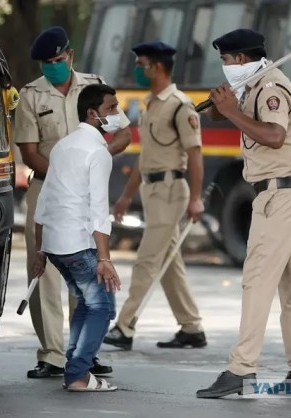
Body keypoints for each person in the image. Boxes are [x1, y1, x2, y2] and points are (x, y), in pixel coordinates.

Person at [196, 29, 291, 399]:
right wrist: (223, 106)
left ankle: (241, 369)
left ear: (242, 59)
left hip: (282, 194)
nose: (225, 66)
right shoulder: (252, 85)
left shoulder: (270, 88)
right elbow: (223, 117)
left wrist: (232, 111)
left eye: (226, 60)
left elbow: (274, 136)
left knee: (257, 280)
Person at [14, 26, 131, 379]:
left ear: (71, 56)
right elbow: (29, 152)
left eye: (58, 60)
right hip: (47, 186)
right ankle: (51, 354)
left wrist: (97, 156)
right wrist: (69, 175)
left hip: (86, 189)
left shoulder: (95, 88)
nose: (53, 66)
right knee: (46, 268)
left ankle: (83, 352)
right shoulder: (31, 95)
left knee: (87, 264)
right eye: (47, 63)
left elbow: (123, 132)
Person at [103, 41, 207, 351]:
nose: (137, 69)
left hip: (170, 191)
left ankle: (124, 326)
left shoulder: (180, 106)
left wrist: (196, 198)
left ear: (157, 67)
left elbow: (195, 155)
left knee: (147, 260)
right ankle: (191, 328)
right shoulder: (153, 104)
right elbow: (145, 157)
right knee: (169, 264)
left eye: (141, 64)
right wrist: (125, 196)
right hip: (152, 190)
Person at [31, 83, 122, 392]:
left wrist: (39, 250)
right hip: (77, 242)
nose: (118, 113)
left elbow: (44, 199)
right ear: (92, 113)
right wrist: (104, 258)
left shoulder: (63, 146)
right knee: (103, 307)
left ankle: (74, 364)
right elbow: (99, 208)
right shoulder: (98, 152)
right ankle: (79, 375)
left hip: (56, 244)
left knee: (87, 301)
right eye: (112, 108)